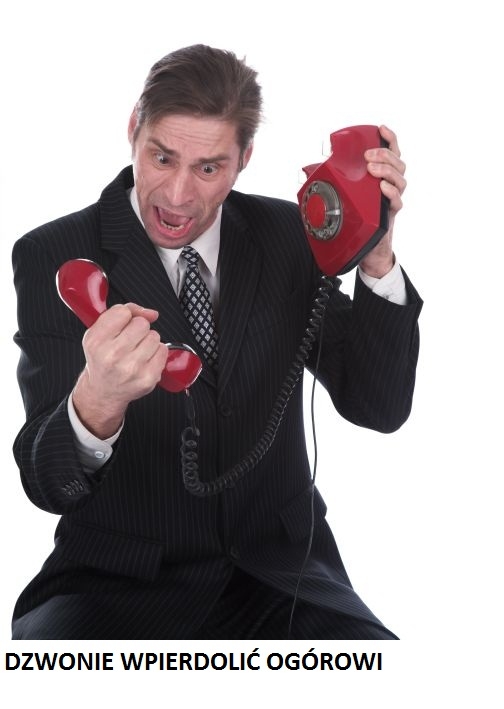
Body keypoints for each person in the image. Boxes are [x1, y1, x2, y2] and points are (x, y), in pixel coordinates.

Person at [11, 44, 422, 640]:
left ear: (244, 159)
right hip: (116, 584)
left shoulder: (289, 235)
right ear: (133, 129)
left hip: (283, 575)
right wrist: (97, 401)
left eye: (208, 169)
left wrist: (375, 255)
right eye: (162, 157)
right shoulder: (52, 254)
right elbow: (48, 484)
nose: (177, 195)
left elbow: (378, 408)